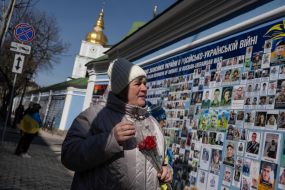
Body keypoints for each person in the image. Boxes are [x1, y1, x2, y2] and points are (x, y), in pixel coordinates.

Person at [61, 58, 172, 190]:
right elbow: (69, 155)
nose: (144, 88)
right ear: (121, 88)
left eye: (145, 83)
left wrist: (166, 169)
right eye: (137, 84)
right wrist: (110, 140)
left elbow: (160, 159)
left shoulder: (152, 122)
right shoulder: (94, 115)